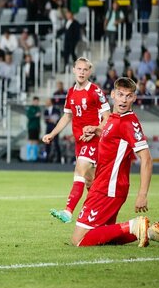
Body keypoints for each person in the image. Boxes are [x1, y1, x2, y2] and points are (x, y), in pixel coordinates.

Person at [71, 77, 159, 247]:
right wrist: (96, 131)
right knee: (106, 235)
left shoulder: (128, 122)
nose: (124, 100)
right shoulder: (114, 118)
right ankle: (149, 231)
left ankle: (135, 225)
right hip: (107, 185)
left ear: (134, 98)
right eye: (120, 94)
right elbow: (114, 138)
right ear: (113, 95)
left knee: (79, 240)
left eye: (128, 96)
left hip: (107, 188)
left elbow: (146, 158)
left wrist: (142, 194)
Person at [42, 57, 110, 223]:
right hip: (79, 142)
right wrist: (52, 134)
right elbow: (67, 117)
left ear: (89, 72)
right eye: (79, 69)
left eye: (85, 69)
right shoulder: (71, 92)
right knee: (90, 181)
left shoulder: (95, 91)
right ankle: (100, 215)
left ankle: (68, 212)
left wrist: (95, 130)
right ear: (73, 70)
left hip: (93, 140)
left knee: (79, 170)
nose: (82, 72)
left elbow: (108, 117)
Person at [43, 98, 62, 163]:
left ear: (51, 102)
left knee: (56, 143)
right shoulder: (46, 111)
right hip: (48, 129)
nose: (46, 102)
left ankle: (58, 159)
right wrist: (51, 119)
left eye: (47, 101)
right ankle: (47, 158)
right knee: (47, 144)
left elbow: (57, 119)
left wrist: (51, 119)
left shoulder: (56, 110)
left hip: (55, 129)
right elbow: (46, 120)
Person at [25, 96, 41, 161]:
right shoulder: (30, 108)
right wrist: (35, 115)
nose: (36, 102)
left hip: (36, 127)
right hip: (31, 127)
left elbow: (39, 120)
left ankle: (34, 157)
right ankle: (28, 157)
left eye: (37, 101)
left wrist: (39, 127)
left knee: (36, 141)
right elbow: (29, 116)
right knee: (30, 141)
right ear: (33, 101)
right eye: (36, 101)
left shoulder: (38, 108)